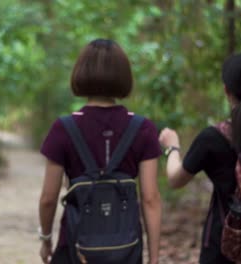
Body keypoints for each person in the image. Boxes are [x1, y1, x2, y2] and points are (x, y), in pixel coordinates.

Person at [158, 53, 241, 264]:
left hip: (224, 249)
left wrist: (172, 147)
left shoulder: (212, 138)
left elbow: (176, 179)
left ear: (226, 90)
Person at [38, 39, 162, 264]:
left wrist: (46, 239)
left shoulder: (64, 128)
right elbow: (150, 198)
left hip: (75, 247)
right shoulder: (143, 128)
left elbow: (48, 198)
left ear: (81, 73)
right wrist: (154, 258)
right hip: (125, 249)